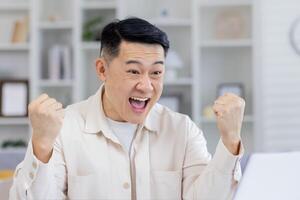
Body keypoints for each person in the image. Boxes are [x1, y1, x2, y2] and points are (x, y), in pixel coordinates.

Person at [9, 17, 245, 200]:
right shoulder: (64, 128)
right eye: (133, 71)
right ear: (102, 70)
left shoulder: (182, 129)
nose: (146, 86)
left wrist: (230, 140)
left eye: (156, 73)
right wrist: (41, 144)